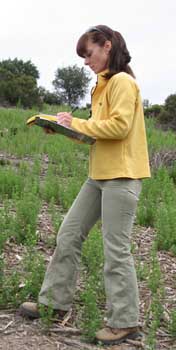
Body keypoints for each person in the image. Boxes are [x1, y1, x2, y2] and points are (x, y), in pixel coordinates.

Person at [19, 25, 150, 345]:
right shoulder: (101, 86)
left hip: (122, 176)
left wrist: (75, 122)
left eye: (88, 54)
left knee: (115, 249)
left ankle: (125, 321)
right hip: (99, 175)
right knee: (69, 232)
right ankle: (54, 303)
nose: (85, 61)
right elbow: (96, 133)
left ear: (107, 47)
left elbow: (119, 127)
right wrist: (63, 128)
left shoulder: (122, 82)